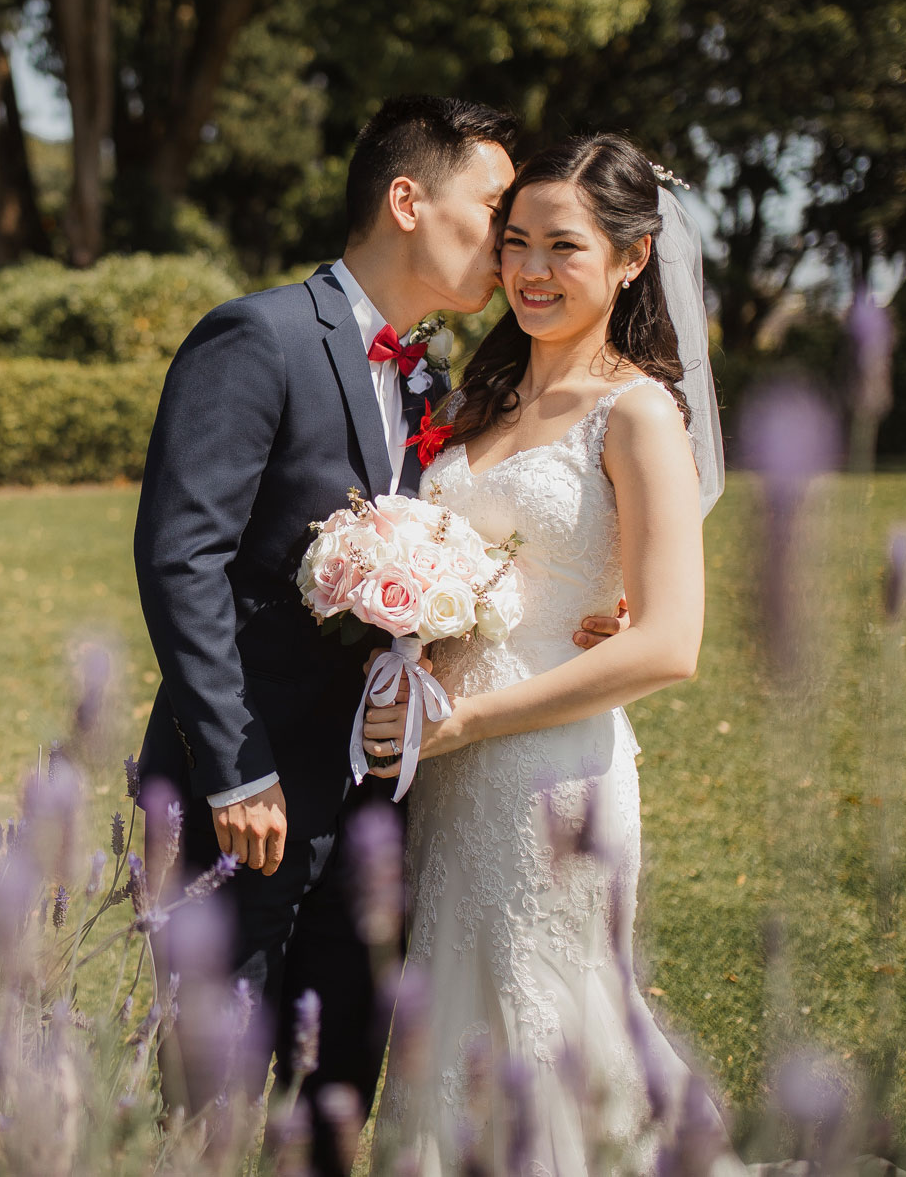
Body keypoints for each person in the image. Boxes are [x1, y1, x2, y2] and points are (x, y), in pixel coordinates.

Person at [130, 97, 629, 1174]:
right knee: (204, 1101)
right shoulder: (255, 338)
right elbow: (181, 559)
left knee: (337, 1092)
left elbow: (466, 545)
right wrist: (232, 774)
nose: (506, 244)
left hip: (383, 803)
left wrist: (571, 606)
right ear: (407, 200)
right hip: (248, 800)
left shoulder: (434, 379)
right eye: (493, 208)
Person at [362, 132, 728, 1174]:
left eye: (561, 246)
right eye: (512, 241)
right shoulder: (474, 399)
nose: (526, 270)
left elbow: (668, 642)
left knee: (544, 1021)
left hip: (547, 777)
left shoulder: (638, 412)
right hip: (439, 776)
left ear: (630, 257)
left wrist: (465, 717)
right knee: (449, 1033)